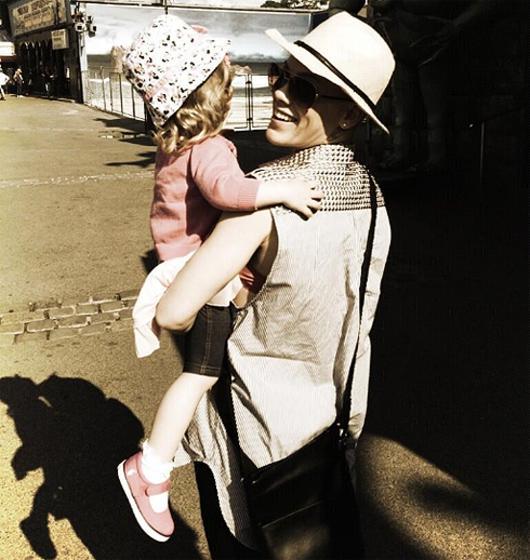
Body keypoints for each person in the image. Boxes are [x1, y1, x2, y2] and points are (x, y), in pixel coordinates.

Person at [154, 11, 395, 558]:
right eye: (280, 75)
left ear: (349, 115)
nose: (282, 93)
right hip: (325, 428)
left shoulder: (262, 199)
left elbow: (173, 313)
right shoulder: (373, 199)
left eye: (305, 88)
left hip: (246, 435)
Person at [117, 15, 322, 543]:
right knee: (200, 377)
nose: (232, 96)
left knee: (204, 373)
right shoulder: (209, 149)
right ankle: (152, 466)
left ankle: (169, 453)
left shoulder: (177, 142)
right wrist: (282, 191)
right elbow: (229, 193)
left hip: (178, 264)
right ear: (207, 95)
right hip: (197, 274)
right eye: (226, 87)